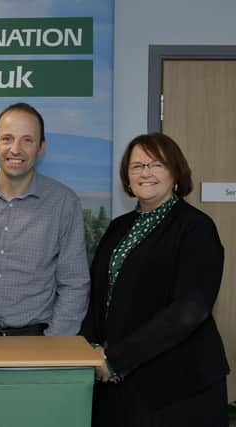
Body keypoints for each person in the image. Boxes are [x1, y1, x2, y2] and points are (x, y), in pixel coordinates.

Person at [80, 133, 229, 426]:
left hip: (177, 386)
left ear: (175, 172)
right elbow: (99, 296)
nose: (145, 173)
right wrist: (93, 351)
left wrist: (116, 359)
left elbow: (190, 309)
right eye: (136, 166)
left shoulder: (196, 228)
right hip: (118, 383)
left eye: (156, 164)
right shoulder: (118, 227)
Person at [0, 102, 89, 336]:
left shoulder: (63, 203)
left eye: (27, 140)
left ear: (41, 147)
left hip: (34, 343)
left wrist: (53, 343)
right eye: (7, 138)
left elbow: (74, 283)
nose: (15, 149)